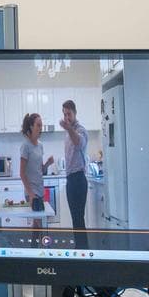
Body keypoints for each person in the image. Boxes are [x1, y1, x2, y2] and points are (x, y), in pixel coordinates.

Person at [60, 100, 89, 246]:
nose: (67, 117)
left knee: (79, 218)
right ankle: (80, 249)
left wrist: (69, 128)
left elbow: (79, 142)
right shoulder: (67, 133)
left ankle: (83, 251)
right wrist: (68, 129)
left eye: (69, 114)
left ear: (75, 113)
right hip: (70, 179)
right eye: (64, 114)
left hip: (78, 179)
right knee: (75, 218)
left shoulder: (80, 130)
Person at [19, 113, 54, 226]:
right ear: (31, 127)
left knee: (38, 223)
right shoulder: (25, 146)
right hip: (31, 191)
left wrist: (48, 164)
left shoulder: (40, 145)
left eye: (41, 125)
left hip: (40, 189)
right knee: (38, 222)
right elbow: (22, 173)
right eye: (38, 125)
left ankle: (36, 243)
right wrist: (30, 194)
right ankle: (39, 243)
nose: (40, 128)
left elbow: (41, 170)